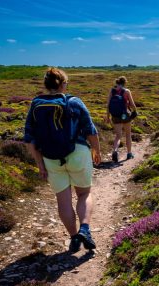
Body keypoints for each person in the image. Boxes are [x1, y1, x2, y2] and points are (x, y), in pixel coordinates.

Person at [24, 67, 101, 253]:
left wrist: (40, 164)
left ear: (46, 84)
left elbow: (29, 140)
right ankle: (85, 229)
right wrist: (96, 150)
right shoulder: (74, 102)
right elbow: (90, 130)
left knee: (63, 201)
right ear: (63, 84)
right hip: (77, 153)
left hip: (50, 158)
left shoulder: (36, 104)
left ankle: (74, 237)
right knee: (84, 194)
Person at [105, 76, 137, 163]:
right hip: (125, 115)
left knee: (118, 135)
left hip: (115, 116)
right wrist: (135, 111)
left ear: (117, 83)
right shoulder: (126, 91)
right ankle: (129, 153)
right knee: (128, 134)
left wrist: (107, 117)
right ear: (124, 83)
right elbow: (132, 104)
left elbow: (108, 105)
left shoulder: (112, 91)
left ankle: (115, 151)